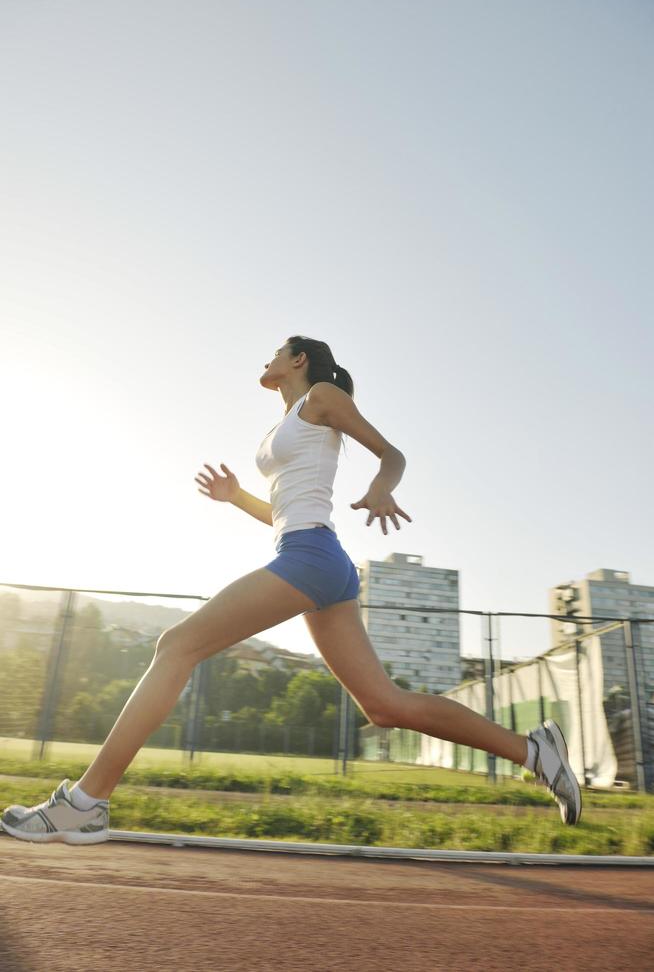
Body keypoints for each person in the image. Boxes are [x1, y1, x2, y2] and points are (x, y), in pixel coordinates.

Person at [0, 335, 581, 844]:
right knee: (383, 707)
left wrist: (381, 486)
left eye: (278, 349)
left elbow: (391, 453)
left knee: (175, 645)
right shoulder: (284, 425)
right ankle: (534, 751)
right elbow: (283, 513)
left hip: (314, 556)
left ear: (298, 360)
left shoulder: (321, 398)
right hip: (310, 555)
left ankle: (86, 804)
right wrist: (236, 498)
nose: (269, 356)